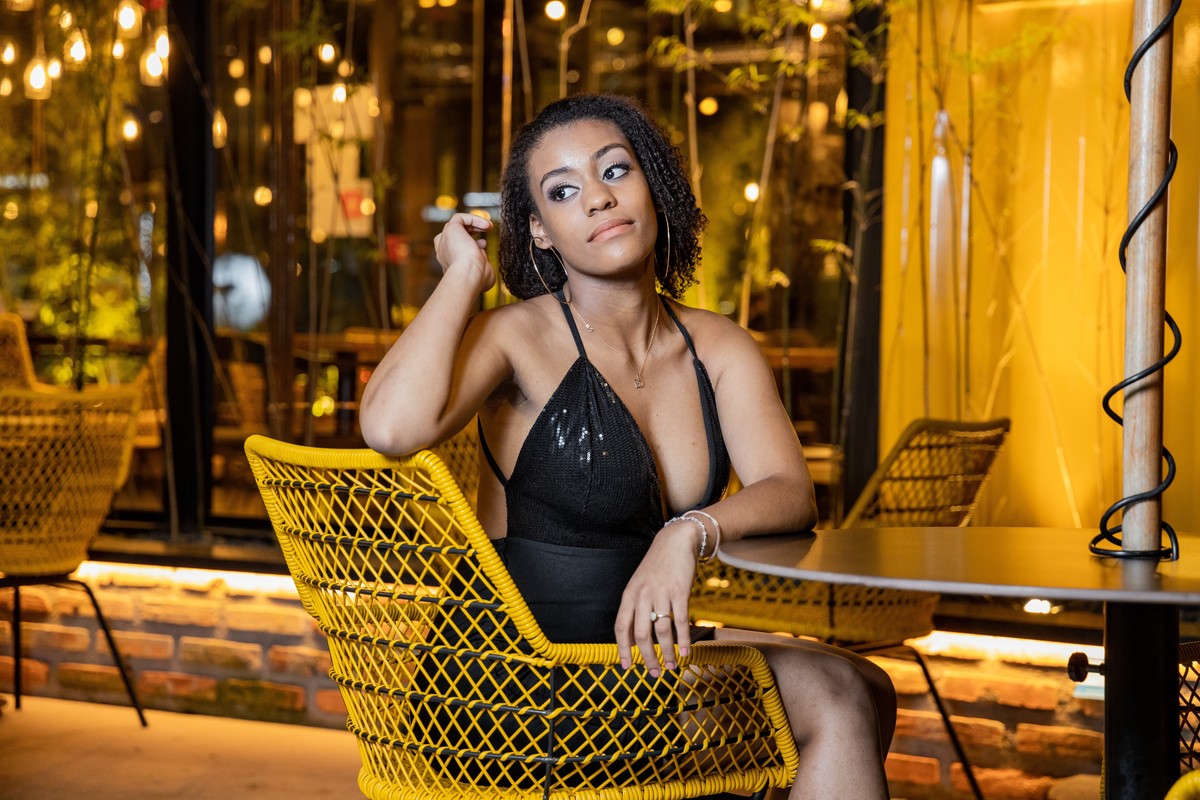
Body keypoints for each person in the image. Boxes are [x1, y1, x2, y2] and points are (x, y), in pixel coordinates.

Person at [360, 93, 896, 799]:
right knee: (838, 696)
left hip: (639, 667)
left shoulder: (716, 346)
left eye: (615, 171)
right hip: (512, 686)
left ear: (653, 186)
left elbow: (790, 492)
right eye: (563, 191)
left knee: (868, 686)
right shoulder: (518, 335)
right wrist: (463, 276)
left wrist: (685, 534)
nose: (597, 198)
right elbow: (390, 429)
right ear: (540, 230)